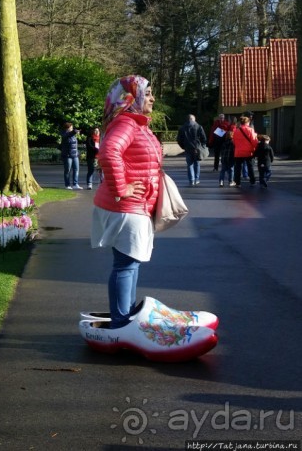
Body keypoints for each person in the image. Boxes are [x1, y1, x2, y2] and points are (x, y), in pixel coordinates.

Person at [90, 75, 161, 329]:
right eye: (148, 93)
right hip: (125, 207)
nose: (152, 98)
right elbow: (108, 153)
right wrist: (122, 188)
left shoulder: (137, 124)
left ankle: (125, 319)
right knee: (126, 265)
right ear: (133, 96)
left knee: (130, 264)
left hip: (135, 207)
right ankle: (121, 323)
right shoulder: (126, 124)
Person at [177, 114, 207, 186]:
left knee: (189, 164)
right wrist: (202, 146)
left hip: (187, 148)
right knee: (197, 164)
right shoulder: (198, 126)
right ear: (194, 119)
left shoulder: (182, 128)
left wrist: (183, 146)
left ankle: (192, 180)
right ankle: (196, 179)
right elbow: (204, 138)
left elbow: (179, 139)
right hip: (197, 148)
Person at [232, 115, 258, 187]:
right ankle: (252, 181)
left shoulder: (236, 131)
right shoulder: (250, 130)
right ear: (247, 123)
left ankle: (237, 182)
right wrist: (256, 148)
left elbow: (234, 141)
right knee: (250, 167)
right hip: (248, 152)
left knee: (238, 168)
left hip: (238, 152)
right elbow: (254, 141)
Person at [60, 122, 82, 190]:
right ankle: (67, 185)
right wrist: (75, 131)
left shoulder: (72, 135)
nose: (72, 129)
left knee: (76, 169)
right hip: (67, 155)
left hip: (75, 155)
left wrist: (77, 153)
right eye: (71, 127)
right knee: (67, 170)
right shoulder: (64, 134)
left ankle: (75, 184)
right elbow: (70, 134)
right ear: (68, 128)